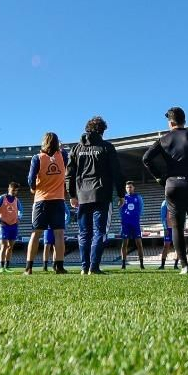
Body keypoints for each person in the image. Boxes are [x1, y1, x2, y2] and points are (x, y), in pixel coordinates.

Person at [140, 106, 188, 273]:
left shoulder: (163, 139)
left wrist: (160, 177)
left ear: (170, 122)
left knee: (177, 227)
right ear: (184, 121)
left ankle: (184, 266)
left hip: (172, 186)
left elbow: (146, 159)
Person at [66, 116, 125, 275]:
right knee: (99, 231)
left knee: (84, 232)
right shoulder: (106, 147)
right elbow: (117, 172)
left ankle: (84, 268)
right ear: (102, 131)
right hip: (101, 193)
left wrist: (72, 194)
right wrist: (121, 194)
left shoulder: (76, 149)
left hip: (82, 195)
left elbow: (69, 174)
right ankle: (94, 267)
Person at [25, 133, 68, 274]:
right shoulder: (63, 156)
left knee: (35, 234)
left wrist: (33, 188)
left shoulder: (37, 158)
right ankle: (59, 267)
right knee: (59, 234)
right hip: (58, 200)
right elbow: (64, 156)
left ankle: (29, 268)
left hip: (41, 200)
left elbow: (31, 179)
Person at [0, 182, 22, 272]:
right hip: (4, 226)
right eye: (13, 190)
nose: (14, 192)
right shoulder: (2, 198)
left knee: (10, 246)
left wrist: (19, 217)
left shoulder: (16, 200)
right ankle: (1, 267)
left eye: (16, 191)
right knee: (4, 245)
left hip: (14, 225)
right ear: (9, 189)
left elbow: (21, 210)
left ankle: (7, 266)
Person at [117, 180, 146, 269]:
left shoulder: (138, 197)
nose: (129, 189)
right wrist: (123, 219)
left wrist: (136, 218)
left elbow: (141, 209)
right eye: (127, 187)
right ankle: (123, 264)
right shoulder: (123, 198)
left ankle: (141, 264)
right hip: (126, 224)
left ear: (134, 188)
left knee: (139, 244)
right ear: (125, 189)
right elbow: (120, 209)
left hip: (135, 223)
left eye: (130, 187)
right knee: (124, 243)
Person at [157, 199, 173, 270]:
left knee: (178, 246)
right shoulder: (165, 202)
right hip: (168, 228)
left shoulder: (179, 201)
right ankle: (162, 265)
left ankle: (177, 264)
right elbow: (163, 217)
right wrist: (165, 228)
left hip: (177, 227)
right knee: (166, 245)